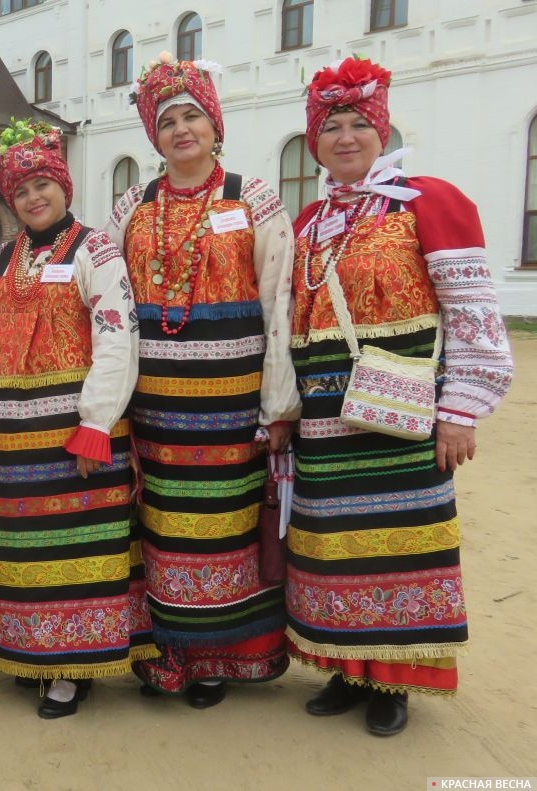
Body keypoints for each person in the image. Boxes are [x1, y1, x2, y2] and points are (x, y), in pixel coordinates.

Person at [285, 56, 513, 736]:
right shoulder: (309, 222)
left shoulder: (428, 201)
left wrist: (461, 409)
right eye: (332, 127)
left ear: (382, 132)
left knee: (400, 543)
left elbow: (472, 311)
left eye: (359, 123)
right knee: (333, 545)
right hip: (326, 420)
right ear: (314, 141)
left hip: (403, 415)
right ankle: (348, 668)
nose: (346, 137)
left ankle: (397, 682)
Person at [104, 52, 298, 708]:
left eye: (193, 117)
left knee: (222, 529)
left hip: (231, 410)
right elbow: (110, 304)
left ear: (216, 125)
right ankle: (166, 653)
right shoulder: (131, 205)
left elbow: (279, 304)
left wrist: (277, 403)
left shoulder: (255, 198)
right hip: (155, 411)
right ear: (153, 137)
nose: (181, 129)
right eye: (168, 121)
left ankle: (215, 657)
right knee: (159, 527)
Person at [0, 119, 141, 719]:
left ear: (64, 187)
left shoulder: (95, 250)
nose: (33, 198)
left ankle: (72, 668)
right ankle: (26, 651)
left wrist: (96, 422)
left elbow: (117, 337)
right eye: (21, 190)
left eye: (42, 186)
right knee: (15, 549)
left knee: (75, 550)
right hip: (7, 442)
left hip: (68, 435)